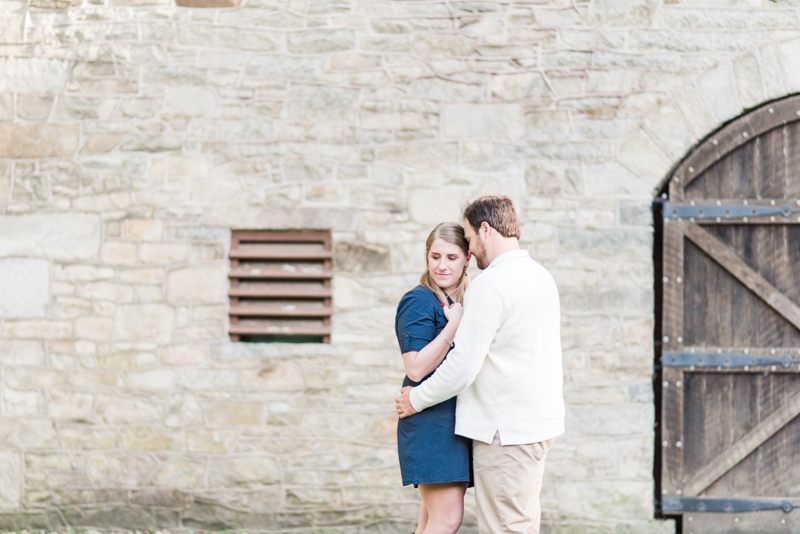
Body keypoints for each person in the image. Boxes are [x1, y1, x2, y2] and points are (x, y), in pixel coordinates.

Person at [395, 196, 565, 534]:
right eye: (437, 256)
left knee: (506, 528)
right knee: (519, 522)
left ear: (485, 230)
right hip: (536, 425)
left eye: (468, 242)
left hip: (506, 429)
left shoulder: (491, 285)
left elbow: (464, 365)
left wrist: (414, 399)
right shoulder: (540, 276)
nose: (470, 250)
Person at [395, 222, 473, 534]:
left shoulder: (468, 299)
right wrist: (452, 326)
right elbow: (414, 368)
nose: (442, 266)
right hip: (430, 421)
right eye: (435, 256)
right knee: (447, 519)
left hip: (456, 419)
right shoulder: (420, 300)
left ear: (467, 259)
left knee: (430, 521)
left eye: (452, 258)